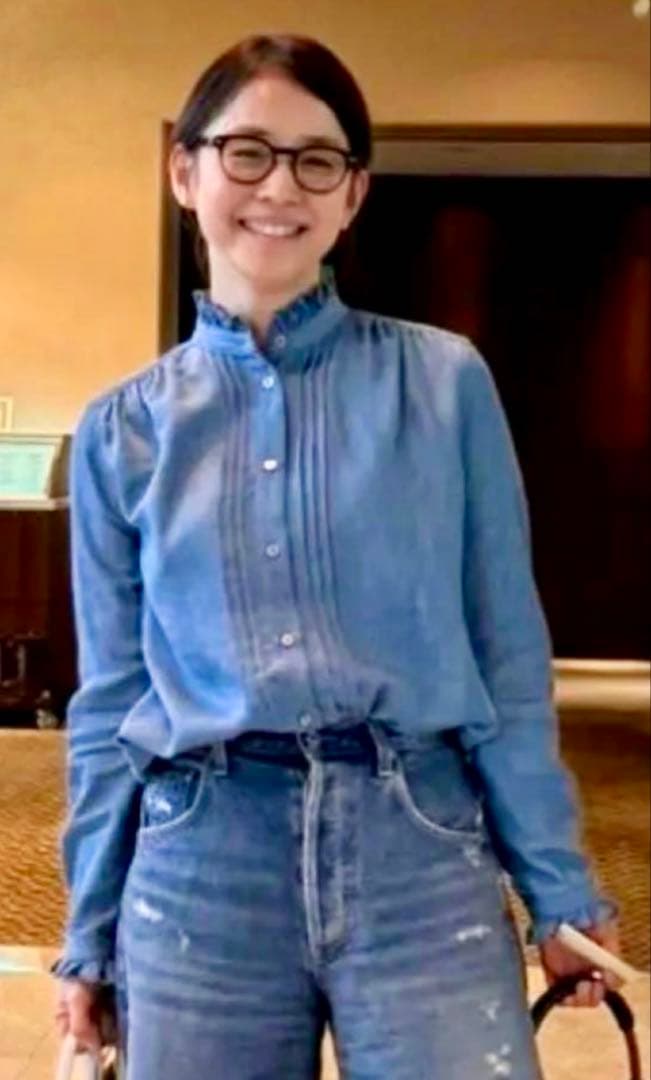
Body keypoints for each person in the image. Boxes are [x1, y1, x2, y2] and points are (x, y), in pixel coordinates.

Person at [54, 33, 621, 1079]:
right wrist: (87, 934)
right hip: (199, 862)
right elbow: (110, 703)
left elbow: (505, 654)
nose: (279, 188)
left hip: (421, 850)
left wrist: (556, 885)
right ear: (184, 171)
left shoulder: (443, 384)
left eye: (317, 160)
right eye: (247, 152)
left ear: (353, 193)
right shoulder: (121, 431)